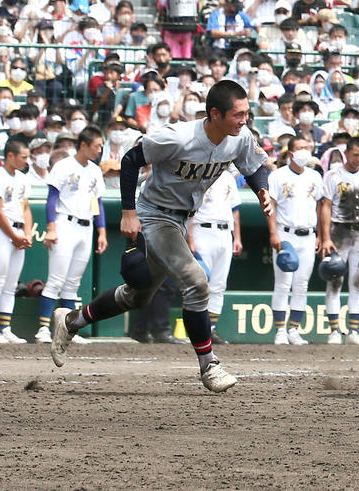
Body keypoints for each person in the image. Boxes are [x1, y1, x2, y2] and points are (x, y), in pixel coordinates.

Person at [47, 80, 272, 394]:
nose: (245, 119)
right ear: (215, 114)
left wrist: (261, 188)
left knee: (137, 296)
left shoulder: (240, 137)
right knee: (196, 281)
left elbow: (253, 166)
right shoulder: (178, 136)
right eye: (238, 114)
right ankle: (209, 365)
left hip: (182, 218)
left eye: (246, 113)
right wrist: (128, 212)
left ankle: (70, 322)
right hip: (155, 214)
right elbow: (130, 160)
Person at [36, 127, 108, 345]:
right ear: (84, 144)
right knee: (56, 279)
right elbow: (52, 198)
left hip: (86, 227)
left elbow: (98, 203)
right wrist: (51, 227)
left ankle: (67, 330)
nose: (99, 149)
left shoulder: (95, 170)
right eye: (96, 145)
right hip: (64, 222)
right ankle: (42, 329)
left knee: (73, 282)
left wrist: (102, 231)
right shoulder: (63, 166)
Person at [318, 135, 359, 344]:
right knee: (335, 279)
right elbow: (325, 206)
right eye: (355, 155)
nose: (358, 159)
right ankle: (334, 330)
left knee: (358, 282)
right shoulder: (333, 175)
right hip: (339, 231)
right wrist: (325, 237)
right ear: (347, 153)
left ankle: (353, 331)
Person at [268, 136, 322, 345]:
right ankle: (280, 330)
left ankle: (294, 330)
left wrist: (322, 235)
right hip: (285, 233)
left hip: (308, 234)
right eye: (300, 148)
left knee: (302, 284)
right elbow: (270, 206)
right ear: (290, 153)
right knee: (283, 283)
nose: (304, 151)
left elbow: (321, 206)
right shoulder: (278, 175)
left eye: (307, 147)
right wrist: (273, 234)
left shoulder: (315, 176)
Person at [0, 138, 34, 344]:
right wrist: (14, 236)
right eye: (23, 157)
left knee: (11, 284)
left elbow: (26, 208)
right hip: (2, 233)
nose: (26, 161)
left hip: (19, 231)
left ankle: (5, 327)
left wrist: (27, 234)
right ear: (10, 156)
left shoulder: (21, 178)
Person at [188, 167, 243, 342]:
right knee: (201, 282)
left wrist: (237, 238)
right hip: (202, 229)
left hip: (225, 232)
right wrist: (189, 238)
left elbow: (235, 210)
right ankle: (197, 329)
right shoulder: (198, 175)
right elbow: (189, 210)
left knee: (219, 284)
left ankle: (210, 329)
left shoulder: (228, 177)